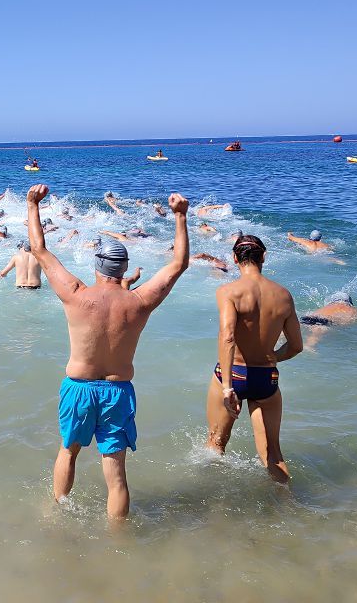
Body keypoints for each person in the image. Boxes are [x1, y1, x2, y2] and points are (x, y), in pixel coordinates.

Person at [27, 184, 190, 518]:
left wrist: (32, 205)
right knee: (116, 473)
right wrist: (180, 216)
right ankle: (118, 541)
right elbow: (178, 263)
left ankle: (57, 516)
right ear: (123, 268)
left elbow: (39, 249)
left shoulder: (75, 294)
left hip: (79, 389)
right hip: (117, 392)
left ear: (97, 266)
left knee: (68, 452)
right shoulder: (139, 302)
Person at [206, 235, 304, 483]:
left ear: (235, 258)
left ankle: (215, 508)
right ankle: (288, 505)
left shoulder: (228, 292)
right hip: (266, 379)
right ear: (264, 257)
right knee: (273, 455)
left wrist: (228, 387)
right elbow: (296, 346)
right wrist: (273, 356)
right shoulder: (283, 295)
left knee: (216, 445)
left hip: (234, 375)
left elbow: (228, 337)